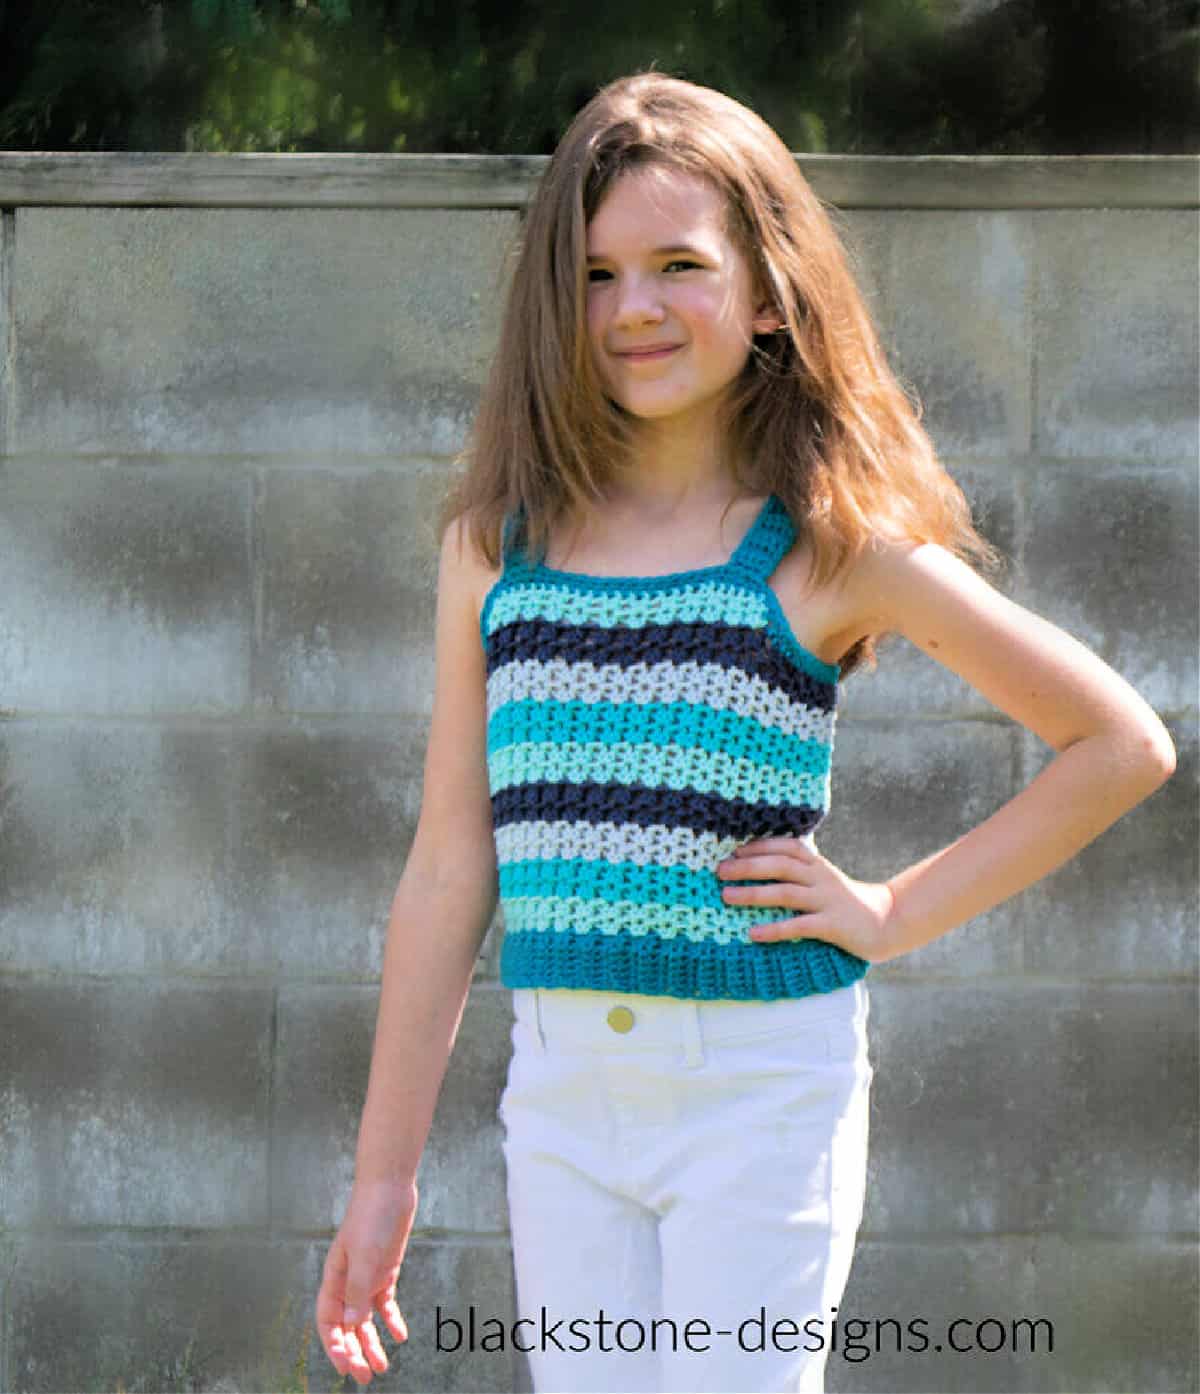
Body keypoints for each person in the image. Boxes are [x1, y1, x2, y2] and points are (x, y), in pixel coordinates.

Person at [314, 70, 1177, 1394]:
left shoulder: (832, 549)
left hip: (761, 1097)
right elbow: (447, 867)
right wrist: (383, 1174)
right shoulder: (496, 549)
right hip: (560, 1102)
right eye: (595, 275)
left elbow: (1121, 741)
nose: (634, 307)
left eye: (678, 264)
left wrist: (889, 907)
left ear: (768, 291)